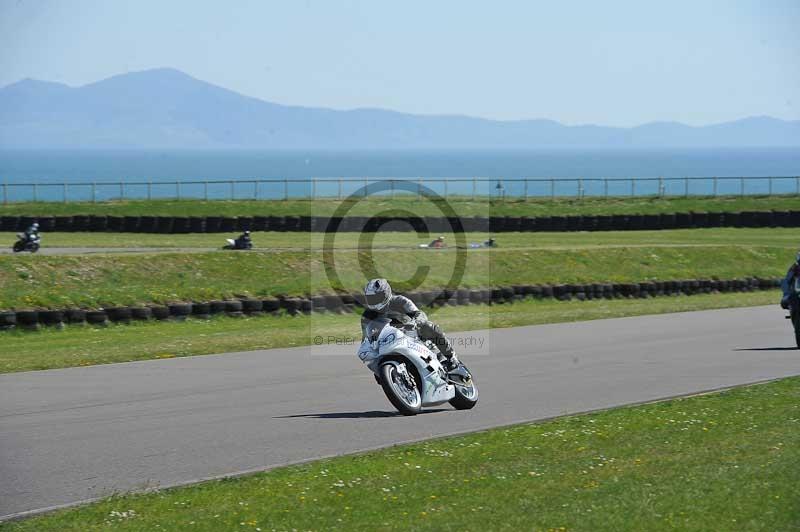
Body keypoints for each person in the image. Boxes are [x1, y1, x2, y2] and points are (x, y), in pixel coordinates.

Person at [361, 278, 459, 370]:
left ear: (386, 294)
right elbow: (366, 338)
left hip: (411, 335)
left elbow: (419, 314)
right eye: (371, 298)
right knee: (375, 363)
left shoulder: (399, 301)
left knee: (427, 326)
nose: (374, 301)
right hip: (388, 343)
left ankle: (451, 356)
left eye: (376, 297)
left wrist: (416, 322)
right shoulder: (367, 316)